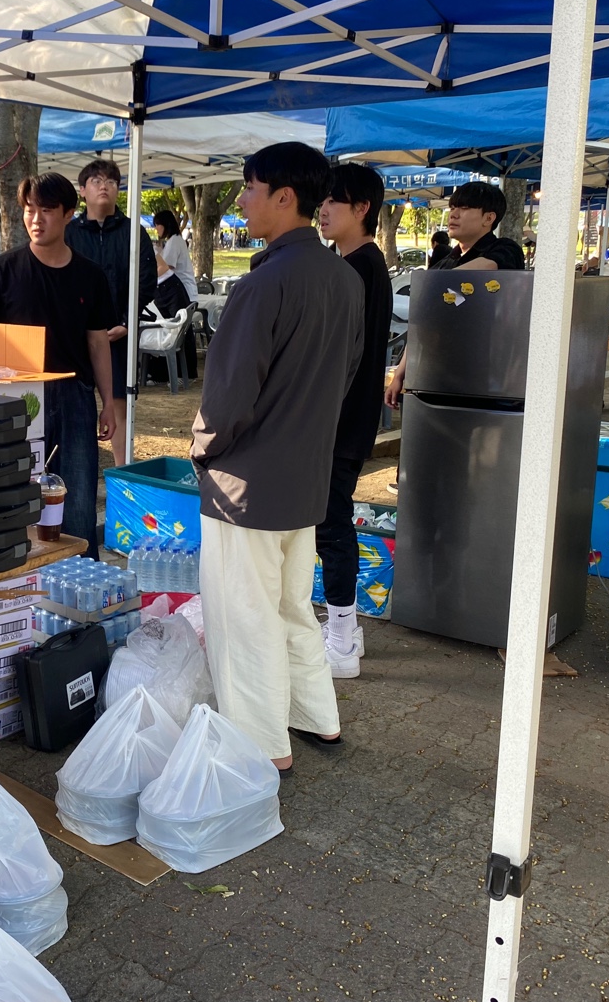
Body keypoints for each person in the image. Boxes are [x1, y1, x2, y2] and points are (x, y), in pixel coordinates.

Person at [192, 142, 364, 774]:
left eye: (249, 188)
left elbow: (227, 397)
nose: (242, 200)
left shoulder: (263, 284)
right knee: (292, 608)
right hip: (304, 477)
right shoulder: (344, 279)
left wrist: (202, 450)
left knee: (245, 618)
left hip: (247, 485)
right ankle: (316, 716)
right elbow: (347, 376)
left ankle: (262, 744)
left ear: (284, 197)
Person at [0, 173, 116, 551]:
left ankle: (81, 570)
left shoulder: (90, 275)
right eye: (29, 210)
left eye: (47, 210)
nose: (36, 219)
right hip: (17, 395)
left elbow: (98, 342)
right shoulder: (2, 269)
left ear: (68, 214)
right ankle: (19, 568)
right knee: (17, 489)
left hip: (75, 394)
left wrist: (108, 403)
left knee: (77, 493)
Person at [313, 164, 393, 680]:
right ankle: (345, 629)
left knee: (331, 524)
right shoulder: (358, 262)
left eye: (332, 201)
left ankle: (342, 638)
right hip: (345, 417)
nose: (322, 210)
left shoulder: (359, 267)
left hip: (341, 419)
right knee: (329, 521)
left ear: (361, 208)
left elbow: (339, 355)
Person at [384, 182, 525, 408]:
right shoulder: (444, 264)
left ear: (489, 218)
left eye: (464, 208)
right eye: (452, 208)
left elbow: (490, 265)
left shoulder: (505, 249)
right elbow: (421, 325)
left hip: (489, 382)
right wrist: (400, 374)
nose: (454, 214)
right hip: (436, 379)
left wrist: (433, 284)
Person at [65, 159, 157, 468]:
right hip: (76, 335)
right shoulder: (70, 232)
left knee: (119, 402)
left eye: (111, 182)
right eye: (96, 181)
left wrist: (127, 322)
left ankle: (121, 470)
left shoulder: (133, 232)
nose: (104, 186)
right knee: (74, 399)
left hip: (119, 333)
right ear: (82, 190)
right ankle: (75, 469)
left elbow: (146, 281)